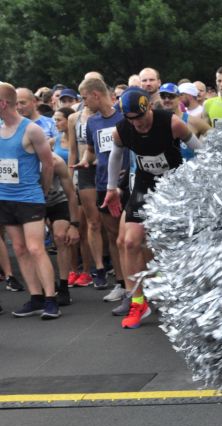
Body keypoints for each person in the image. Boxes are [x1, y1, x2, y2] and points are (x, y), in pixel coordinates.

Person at [104, 87, 200, 329]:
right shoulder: (122, 130)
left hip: (175, 186)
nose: (137, 124)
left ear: (148, 110)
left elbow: (201, 151)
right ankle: (138, 301)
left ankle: (186, 297)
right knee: (130, 242)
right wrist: (111, 188)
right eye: (131, 119)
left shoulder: (172, 123)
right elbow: (115, 157)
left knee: (176, 244)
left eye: (140, 118)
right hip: (146, 184)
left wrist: (203, 183)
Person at [0, 82, 61, 319]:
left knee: (36, 248)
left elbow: (48, 163)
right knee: (20, 248)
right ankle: (35, 297)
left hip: (29, 197)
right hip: (5, 198)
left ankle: (50, 299)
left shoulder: (31, 130)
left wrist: (43, 190)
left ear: (3, 103)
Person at [76, 76, 131, 312]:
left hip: (128, 184)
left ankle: (140, 285)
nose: (83, 102)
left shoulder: (124, 117)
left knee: (131, 238)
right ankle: (122, 283)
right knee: (113, 235)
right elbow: (90, 150)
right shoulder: (92, 122)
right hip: (102, 184)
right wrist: (83, 162)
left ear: (96, 95)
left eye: (85, 97)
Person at [67, 80, 110, 293]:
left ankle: (111, 262)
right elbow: (74, 150)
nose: (82, 100)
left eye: (84, 96)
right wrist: (70, 178)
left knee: (107, 222)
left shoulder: (108, 116)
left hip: (105, 169)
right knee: (92, 223)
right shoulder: (74, 118)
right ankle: (99, 268)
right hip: (84, 172)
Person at [44, 152, 81, 306]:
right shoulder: (22, 160)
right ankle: (49, 286)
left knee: (60, 237)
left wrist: (74, 225)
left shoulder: (56, 162)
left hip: (60, 201)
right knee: (35, 244)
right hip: (35, 203)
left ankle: (64, 287)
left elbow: (72, 195)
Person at [159, 83, 210, 160]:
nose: (167, 100)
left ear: (179, 98)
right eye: (163, 96)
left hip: (190, 169)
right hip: (167, 170)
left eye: (171, 96)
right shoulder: (156, 121)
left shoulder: (192, 121)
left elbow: (216, 138)